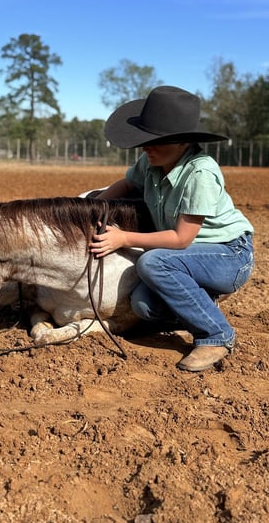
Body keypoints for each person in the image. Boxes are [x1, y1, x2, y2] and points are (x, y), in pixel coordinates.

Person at [89, 86, 254, 372]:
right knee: (143, 306)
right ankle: (203, 302)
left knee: (153, 262)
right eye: (145, 140)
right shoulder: (151, 161)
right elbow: (127, 185)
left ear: (183, 142)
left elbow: (181, 238)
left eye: (156, 141)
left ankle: (216, 335)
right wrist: (91, 208)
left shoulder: (200, 172)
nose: (146, 148)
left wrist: (123, 238)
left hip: (229, 255)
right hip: (191, 257)